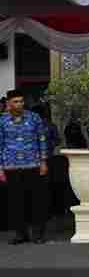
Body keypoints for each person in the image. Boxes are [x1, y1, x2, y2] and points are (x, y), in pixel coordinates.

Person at [0, 89, 49, 244]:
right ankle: (20, 234)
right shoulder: (2, 120)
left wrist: (43, 161)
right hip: (11, 166)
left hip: (33, 165)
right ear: (8, 103)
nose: (19, 104)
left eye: (21, 101)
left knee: (37, 201)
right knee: (15, 202)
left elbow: (42, 139)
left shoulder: (34, 118)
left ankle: (38, 234)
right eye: (16, 101)